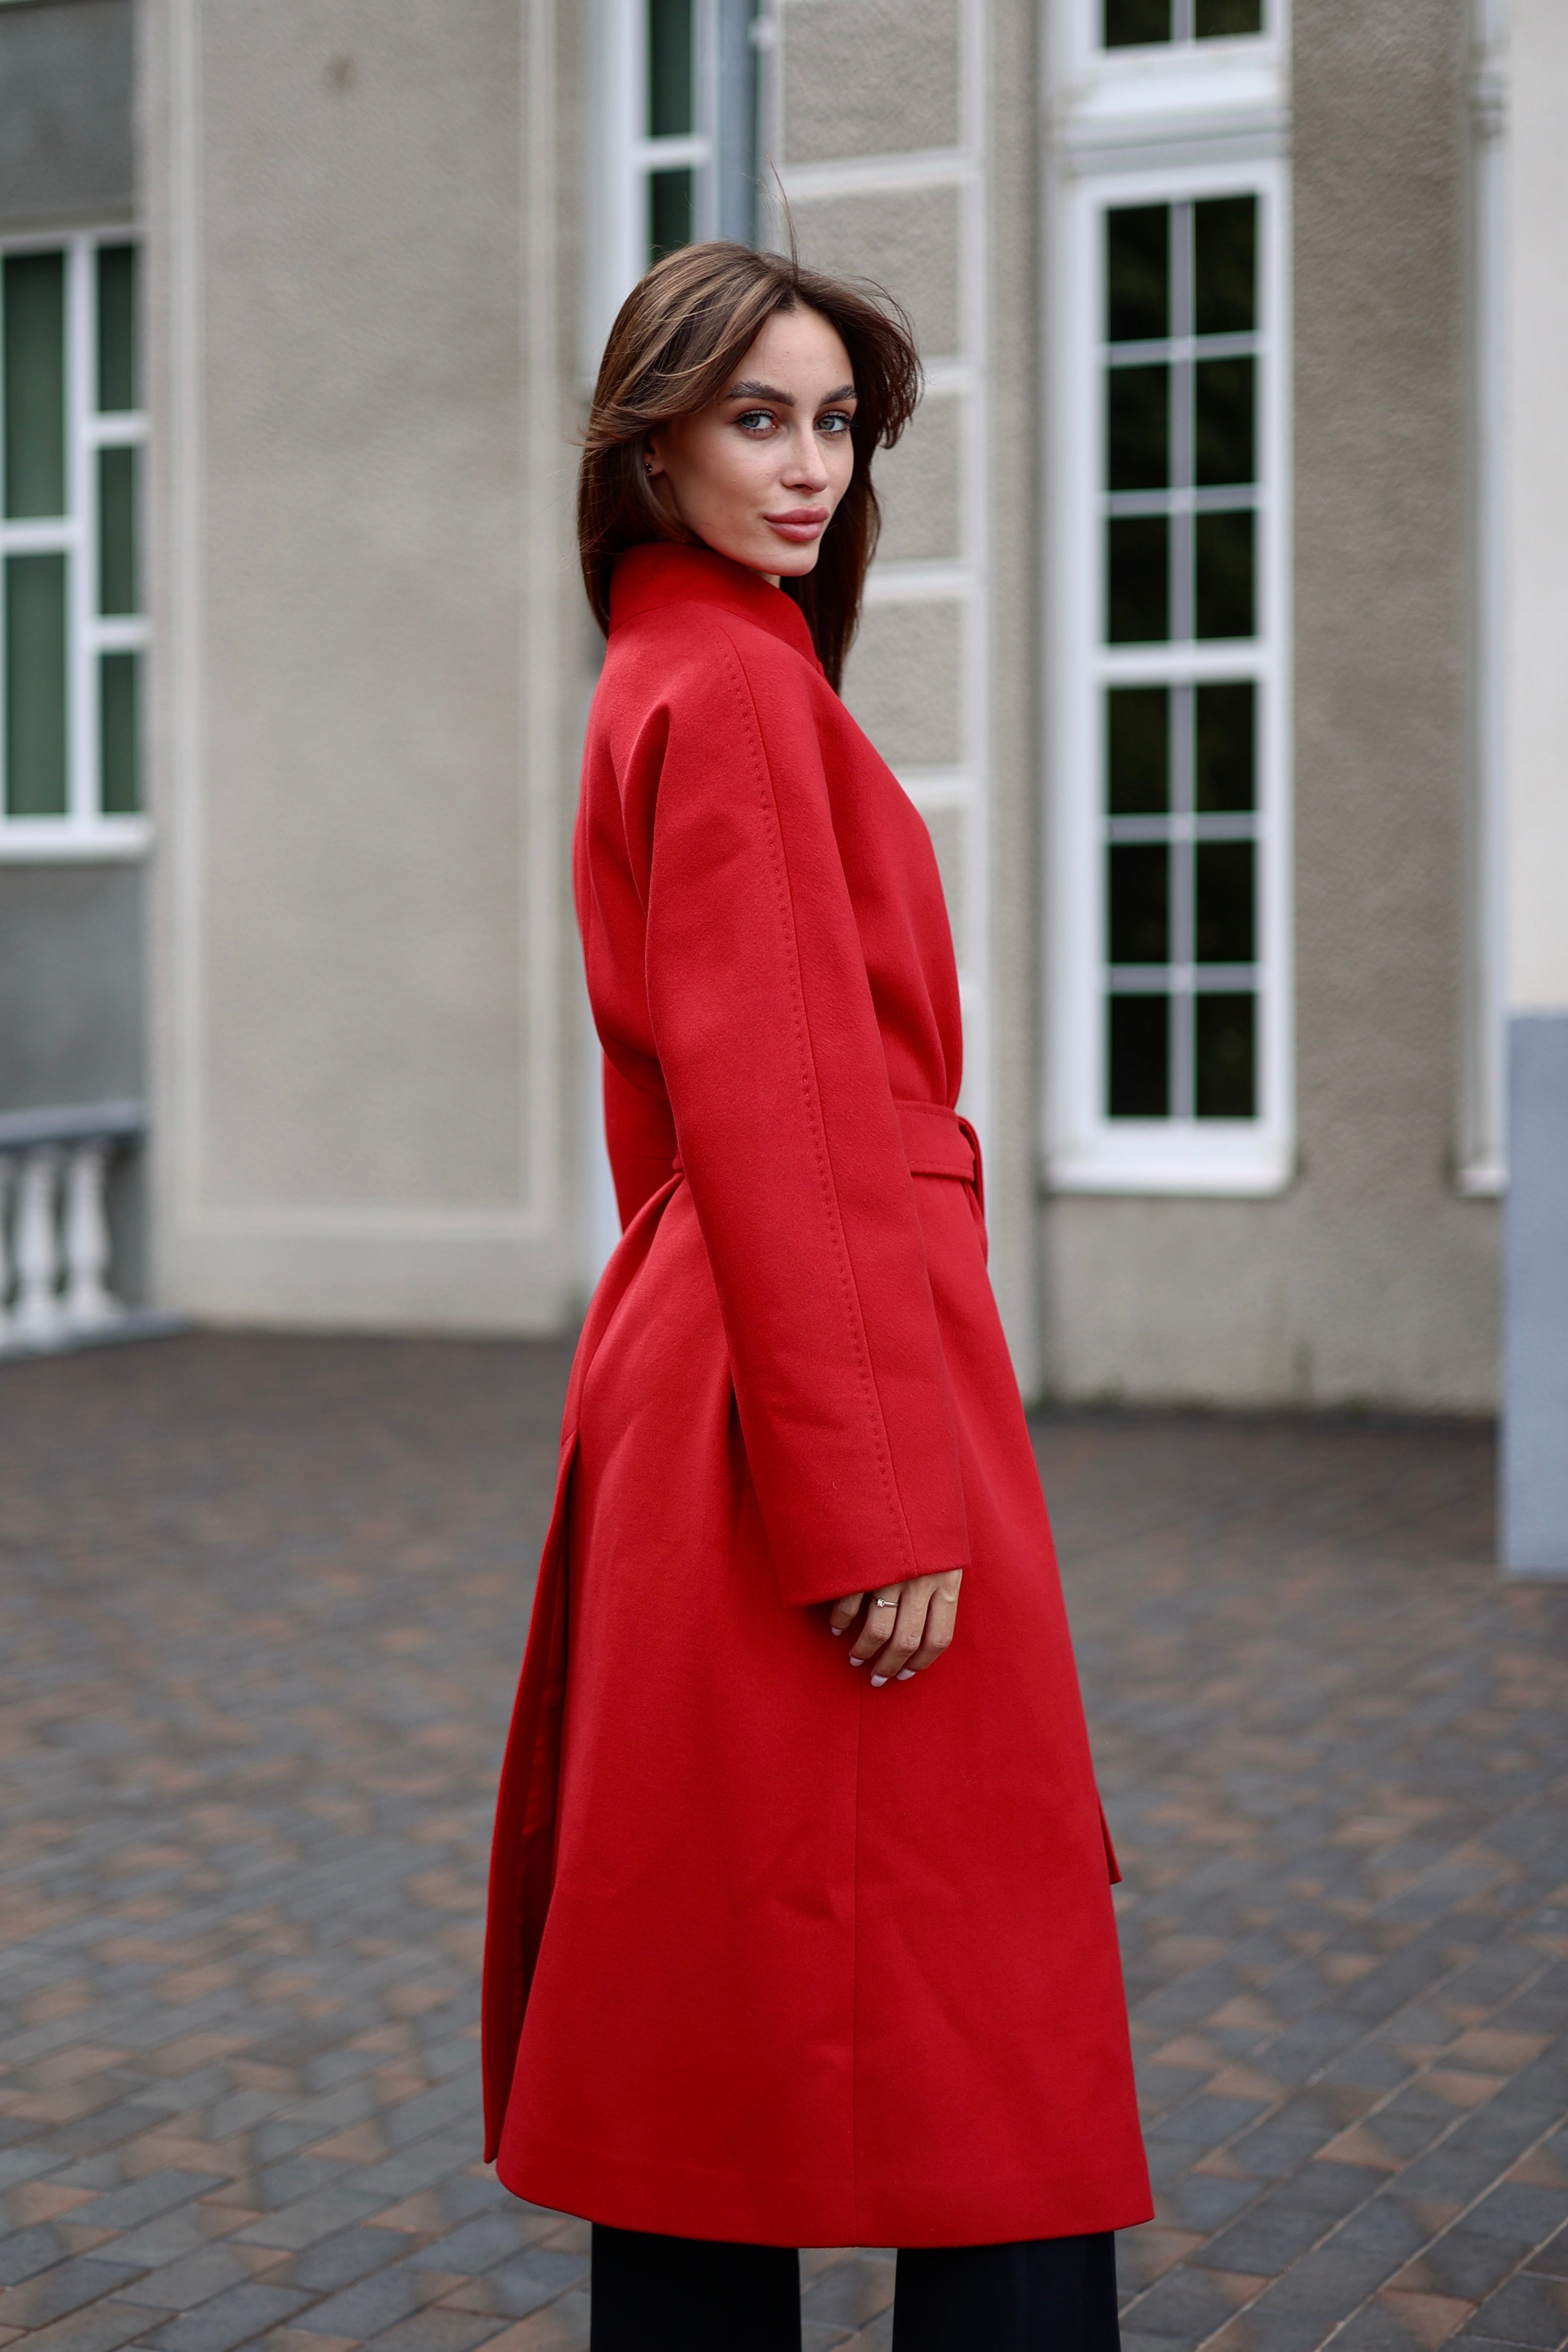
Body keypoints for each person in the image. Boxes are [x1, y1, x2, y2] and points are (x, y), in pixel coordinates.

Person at [482, 240, 1151, 2351]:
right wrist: (867, 1493)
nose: (806, 467)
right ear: (648, 443)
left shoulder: (677, 669)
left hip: (753, 1354)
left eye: (836, 424)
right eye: (754, 418)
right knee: (986, 2004)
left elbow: (690, 1121)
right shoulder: (739, 690)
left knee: (728, 2001)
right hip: (826, 1371)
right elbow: (769, 1100)